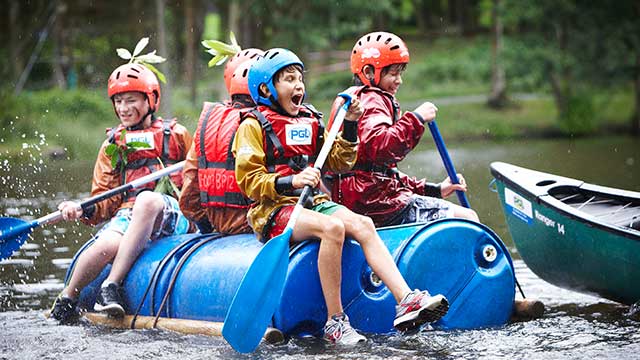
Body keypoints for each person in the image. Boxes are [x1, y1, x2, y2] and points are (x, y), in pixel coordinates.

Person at [232, 48, 449, 346]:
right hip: (274, 210)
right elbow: (248, 180)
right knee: (333, 228)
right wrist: (291, 180)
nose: (298, 86)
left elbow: (339, 161)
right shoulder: (252, 126)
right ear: (266, 89)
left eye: (300, 79)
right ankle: (335, 322)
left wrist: (349, 124)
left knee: (362, 224)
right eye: (288, 80)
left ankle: (406, 301)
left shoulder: (308, 119)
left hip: (312, 203)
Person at [50, 62, 193, 324]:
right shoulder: (113, 144)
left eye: (131, 100)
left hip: (170, 213)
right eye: (118, 101)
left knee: (147, 200)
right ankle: (66, 300)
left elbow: (195, 180)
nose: (123, 108)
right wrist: (83, 208)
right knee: (106, 244)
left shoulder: (177, 134)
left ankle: (111, 285)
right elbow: (105, 197)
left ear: (151, 100)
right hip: (128, 215)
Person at [327, 31, 479, 227]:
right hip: (375, 203)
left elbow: (381, 172)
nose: (399, 80)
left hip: (362, 199)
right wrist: (416, 118)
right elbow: (381, 148)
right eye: (393, 73)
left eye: (400, 73)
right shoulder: (373, 99)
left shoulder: (357, 97)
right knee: (467, 218)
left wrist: (434, 190)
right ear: (368, 73)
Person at [179, 49, 264, 234]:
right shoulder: (271, 122)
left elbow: (188, 200)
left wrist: (207, 229)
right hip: (261, 226)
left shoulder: (210, 122)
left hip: (219, 228)